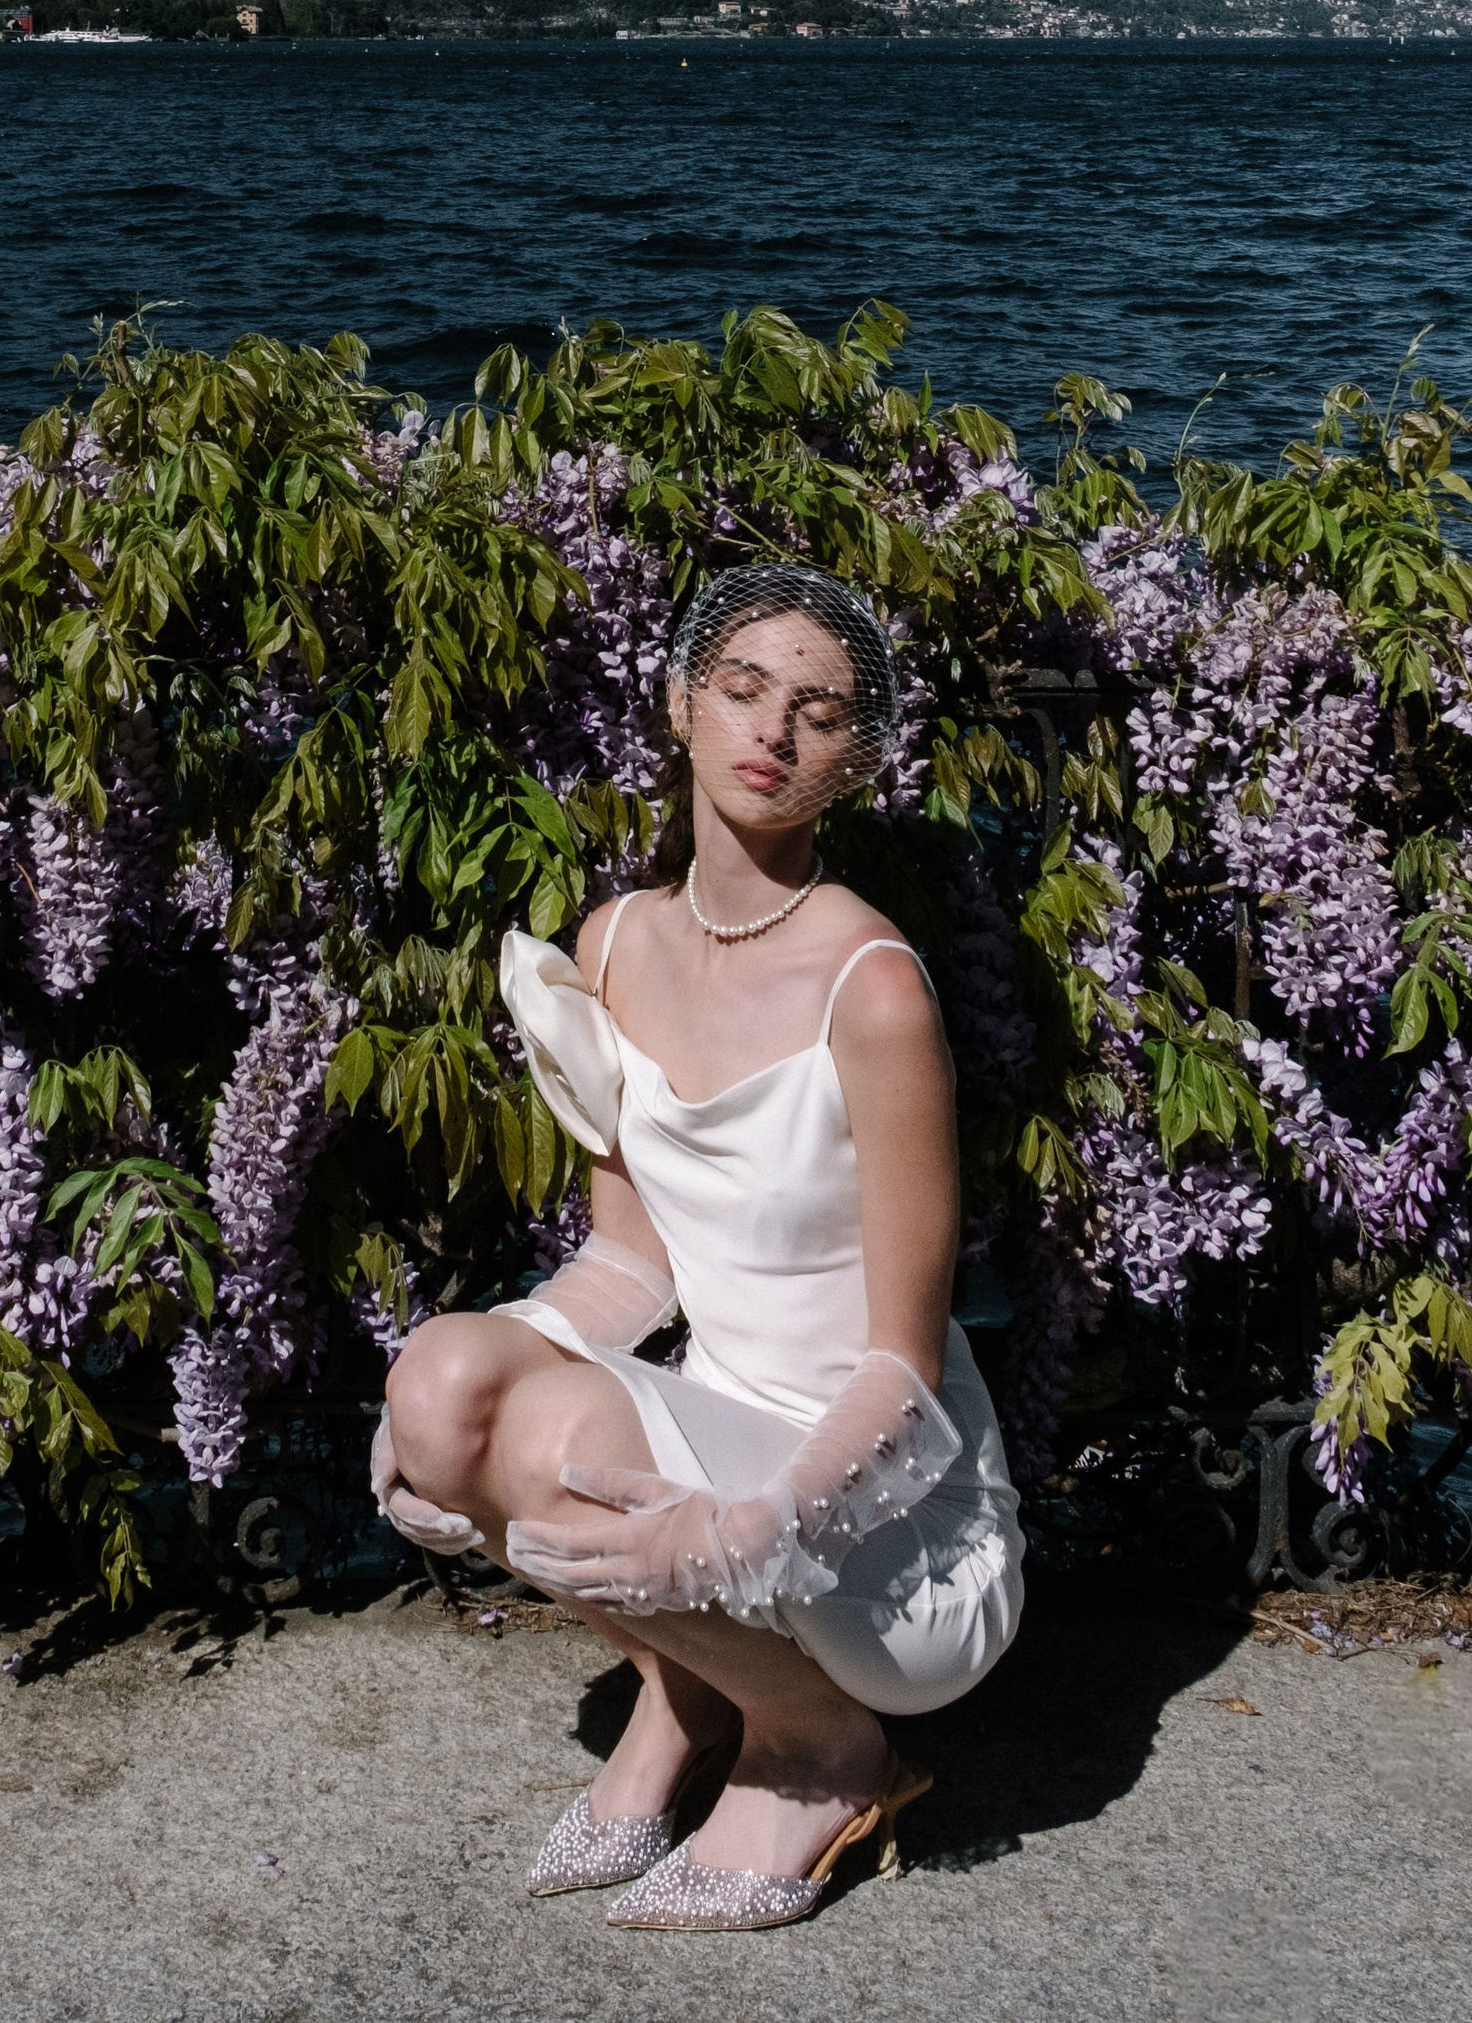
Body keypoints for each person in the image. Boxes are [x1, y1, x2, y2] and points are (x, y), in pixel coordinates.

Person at [371, 564, 1023, 1933]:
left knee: (546, 1451)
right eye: (741, 688)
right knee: (443, 1387)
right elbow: (630, 1270)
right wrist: (429, 1420)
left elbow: (906, 1375)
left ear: (856, 762)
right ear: (678, 704)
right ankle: (693, 1695)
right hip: (723, 1417)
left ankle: (822, 1749)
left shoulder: (875, 987)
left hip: (889, 1508)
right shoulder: (614, 942)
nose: (772, 732)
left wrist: (742, 1535)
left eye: (820, 713)